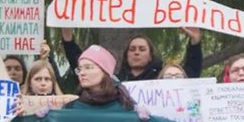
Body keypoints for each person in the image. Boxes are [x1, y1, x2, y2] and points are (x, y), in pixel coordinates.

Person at [61, 28, 203, 82]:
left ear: (150, 56)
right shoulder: (114, 80)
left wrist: (195, 42)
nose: (136, 52)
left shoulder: (161, 78)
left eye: (142, 49)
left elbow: (190, 73)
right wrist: (68, 40)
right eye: (132, 49)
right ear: (126, 55)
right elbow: (82, 67)